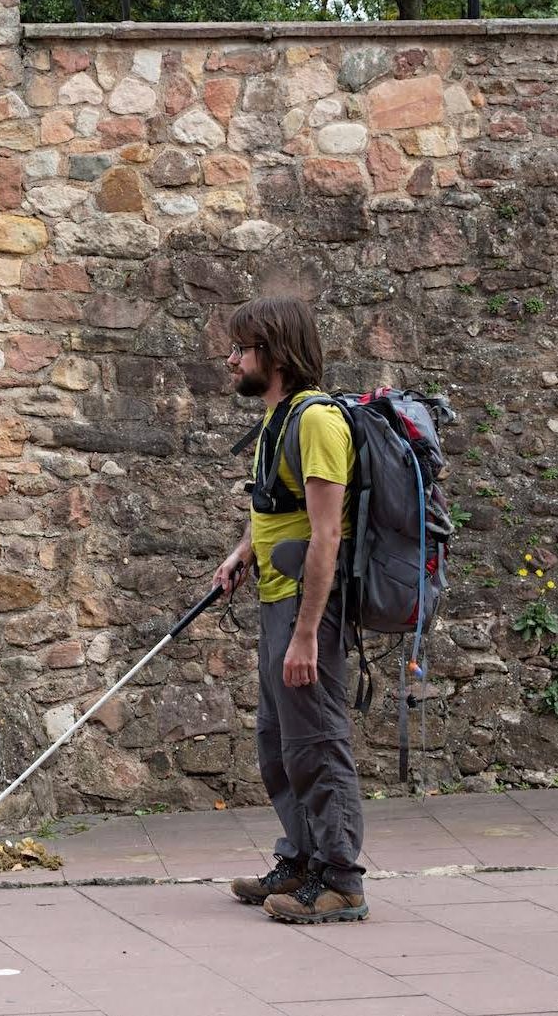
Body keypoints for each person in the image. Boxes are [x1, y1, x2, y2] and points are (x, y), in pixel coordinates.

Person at [212, 296, 368, 924]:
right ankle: (301, 859)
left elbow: (327, 534)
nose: (231, 360)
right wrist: (243, 550)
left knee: (318, 741)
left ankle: (341, 879)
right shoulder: (277, 420)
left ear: (272, 353)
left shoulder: (317, 424)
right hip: (277, 600)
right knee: (278, 743)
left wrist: (307, 635)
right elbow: (278, 508)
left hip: (311, 613)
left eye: (241, 349)